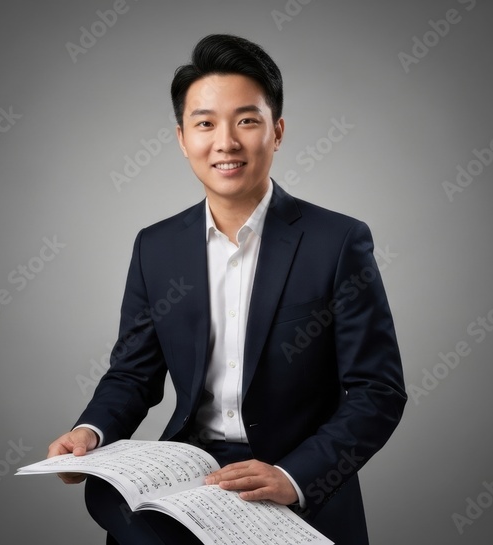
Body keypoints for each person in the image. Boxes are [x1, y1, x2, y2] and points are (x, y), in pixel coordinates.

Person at [48, 33, 406, 544]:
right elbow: (133, 374)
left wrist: (294, 476)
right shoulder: (156, 246)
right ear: (181, 139)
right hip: (188, 473)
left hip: (297, 478)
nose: (226, 142)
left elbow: (378, 391)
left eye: (247, 120)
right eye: (205, 123)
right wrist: (91, 432)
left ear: (276, 132)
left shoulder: (338, 241)